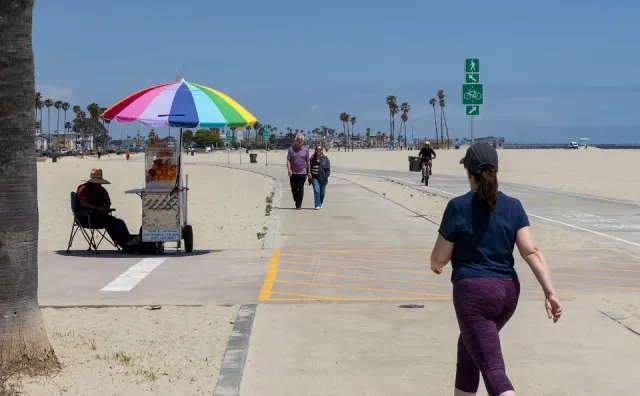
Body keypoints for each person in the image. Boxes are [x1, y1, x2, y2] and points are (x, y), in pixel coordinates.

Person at [430, 143, 562, 396]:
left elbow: (440, 256)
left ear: (468, 173)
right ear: (496, 171)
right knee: (469, 347)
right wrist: (550, 292)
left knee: (493, 369)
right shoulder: (514, 206)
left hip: (475, 294)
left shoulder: (458, 206)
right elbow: (531, 250)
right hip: (508, 293)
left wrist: (434, 265)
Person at [75, 169, 141, 253]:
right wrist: (96, 208)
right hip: (85, 217)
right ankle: (126, 244)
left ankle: (127, 242)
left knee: (119, 222)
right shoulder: (84, 188)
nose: (99, 184)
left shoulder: (102, 190)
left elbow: (108, 201)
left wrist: (106, 207)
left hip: (99, 216)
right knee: (112, 223)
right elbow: (83, 203)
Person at [286, 134, 311, 209]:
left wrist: (309, 172)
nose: (299, 141)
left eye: (301, 139)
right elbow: (288, 160)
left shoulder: (306, 150)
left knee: (300, 187)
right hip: (293, 173)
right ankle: (296, 200)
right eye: (298, 139)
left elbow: (308, 161)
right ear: (296, 140)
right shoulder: (291, 149)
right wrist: (289, 169)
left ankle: (299, 204)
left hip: (303, 172)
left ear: (303, 141)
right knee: (294, 188)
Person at [309, 145, 331, 210]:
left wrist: (326, 176)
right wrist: (309, 174)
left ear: (322, 150)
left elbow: (328, 169)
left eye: (320, 149)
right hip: (314, 177)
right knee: (316, 191)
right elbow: (309, 167)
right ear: (315, 150)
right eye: (317, 149)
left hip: (323, 178)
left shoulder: (325, 159)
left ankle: (320, 203)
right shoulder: (312, 158)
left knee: (322, 193)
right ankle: (317, 205)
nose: (319, 151)